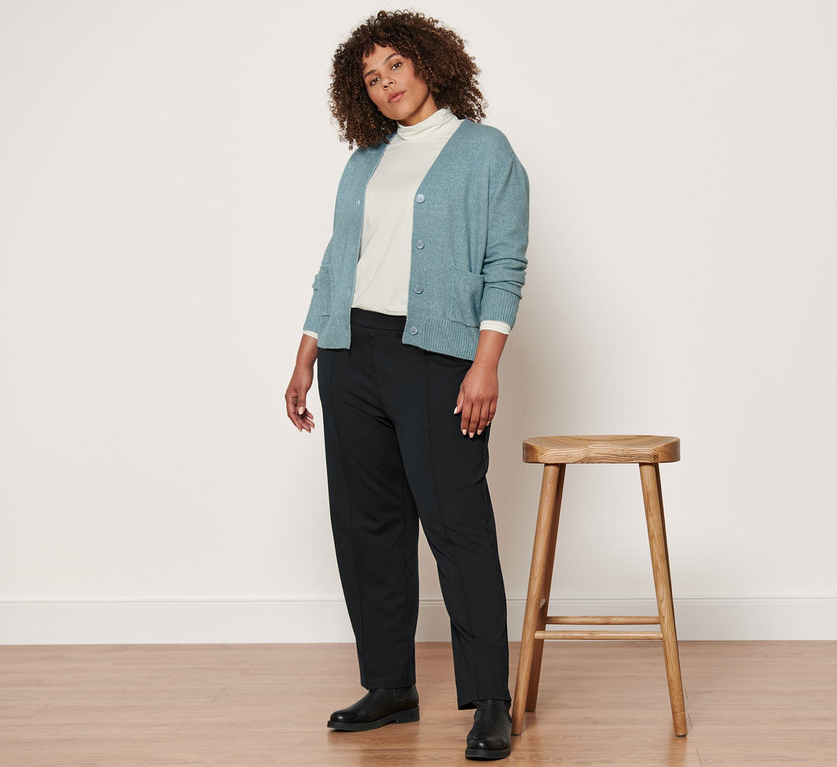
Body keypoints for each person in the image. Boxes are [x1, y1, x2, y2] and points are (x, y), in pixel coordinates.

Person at [284, 10, 528, 761]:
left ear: (427, 62)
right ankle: (389, 683)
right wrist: (305, 354)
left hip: (437, 356)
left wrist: (485, 361)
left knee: (457, 524)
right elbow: (335, 264)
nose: (385, 83)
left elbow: (504, 264)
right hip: (352, 353)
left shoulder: (485, 151)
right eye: (370, 76)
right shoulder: (364, 161)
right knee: (367, 525)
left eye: (394, 65)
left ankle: (490, 698)